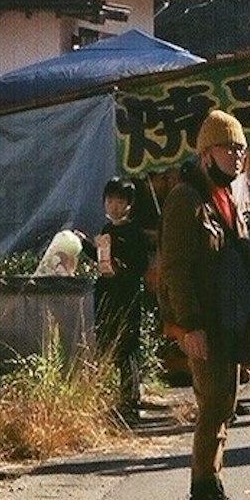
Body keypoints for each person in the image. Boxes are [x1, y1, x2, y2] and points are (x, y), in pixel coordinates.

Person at [157, 109, 250, 500]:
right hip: (201, 321)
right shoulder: (186, 198)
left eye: (241, 149)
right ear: (205, 152)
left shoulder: (223, 196)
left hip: (225, 318)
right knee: (213, 403)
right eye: (228, 148)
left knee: (224, 404)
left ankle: (213, 487)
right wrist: (187, 325)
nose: (236, 156)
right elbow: (175, 268)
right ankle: (202, 498)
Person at [94, 176, 151, 423]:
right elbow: (102, 261)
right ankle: (117, 399)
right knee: (111, 347)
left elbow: (140, 265)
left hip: (127, 296)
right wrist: (83, 243)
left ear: (130, 204)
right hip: (108, 296)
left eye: (120, 201)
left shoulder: (134, 231)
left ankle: (131, 400)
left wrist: (122, 267)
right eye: (110, 200)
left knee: (128, 349)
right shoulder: (107, 230)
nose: (114, 206)